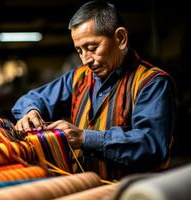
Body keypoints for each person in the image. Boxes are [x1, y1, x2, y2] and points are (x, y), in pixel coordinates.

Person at [11, 0, 176, 180]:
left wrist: (84, 138)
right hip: (86, 188)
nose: (85, 60)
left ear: (121, 38)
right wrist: (31, 111)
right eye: (79, 51)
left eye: (92, 48)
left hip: (133, 192)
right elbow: (32, 99)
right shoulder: (78, 78)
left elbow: (151, 146)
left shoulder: (152, 83)